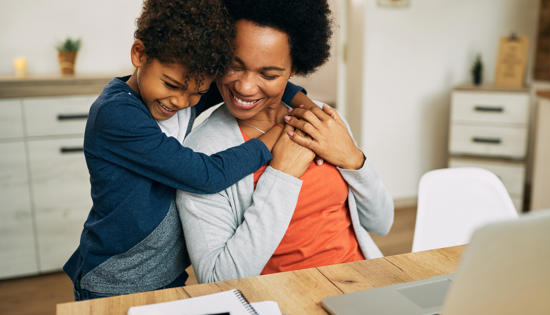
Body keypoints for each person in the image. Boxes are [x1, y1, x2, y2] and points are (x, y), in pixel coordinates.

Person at [64, 0, 313, 300]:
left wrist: (304, 105)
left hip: (169, 275)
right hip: (115, 281)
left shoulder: (184, 86)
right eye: (171, 85)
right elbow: (206, 175)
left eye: (196, 92)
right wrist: (279, 132)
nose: (181, 102)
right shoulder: (116, 114)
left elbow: (247, 83)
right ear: (139, 54)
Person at [176, 0, 394, 283]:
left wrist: (353, 159)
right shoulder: (203, 154)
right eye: (233, 65)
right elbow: (217, 279)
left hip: (363, 285)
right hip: (286, 299)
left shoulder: (324, 123)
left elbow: (382, 223)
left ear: (293, 70)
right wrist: (282, 175)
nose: (244, 86)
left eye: (268, 74)